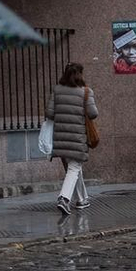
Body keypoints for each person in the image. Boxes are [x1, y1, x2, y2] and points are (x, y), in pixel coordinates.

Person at [48, 61, 98, 217]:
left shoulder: (57, 91)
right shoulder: (86, 92)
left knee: (74, 168)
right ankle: (64, 198)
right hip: (77, 138)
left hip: (61, 137)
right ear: (80, 75)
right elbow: (93, 113)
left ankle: (82, 199)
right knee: (74, 168)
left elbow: (49, 114)